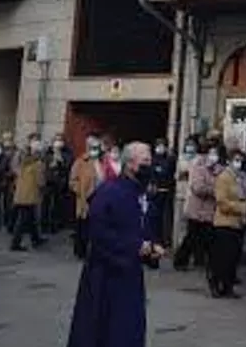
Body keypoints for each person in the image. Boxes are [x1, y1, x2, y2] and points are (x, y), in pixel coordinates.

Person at [65, 142, 162, 347]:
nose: (149, 165)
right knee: (101, 329)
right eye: (145, 161)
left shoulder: (142, 194)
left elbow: (143, 226)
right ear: (130, 164)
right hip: (104, 274)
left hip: (130, 274)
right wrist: (134, 246)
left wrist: (152, 247)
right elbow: (99, 232)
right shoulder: (109, 192)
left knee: (128, 328)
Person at [209, 148, 246, 298]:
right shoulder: (223, 177)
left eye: (241, 160)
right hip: (224, 222)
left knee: (234, 257)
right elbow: (222, 202)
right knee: (222, 257)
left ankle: (228, 286)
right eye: (236, 160)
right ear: (228, 161)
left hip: (239, 223)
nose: (238, 163)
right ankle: (216, 283)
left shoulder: (243, 177)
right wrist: (241, 207)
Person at [173, 139, 220, 271]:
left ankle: (203, 261)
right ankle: (180, 260)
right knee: (192, 236)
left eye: (216, 153)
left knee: (207, 237)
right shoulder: (198, 166)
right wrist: (215, 190)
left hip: (209, 210)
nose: (214, 156)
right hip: (197, 209)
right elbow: (198, 187)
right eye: (211, 153)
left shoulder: (218, 169)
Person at [10, 134, 47, 252]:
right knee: (23, 220)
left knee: (30, 218)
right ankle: (15, 243)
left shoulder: (24, 162)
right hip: (30, 195)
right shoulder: (38, 164)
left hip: (21, 194)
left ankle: (35, 238)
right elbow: (40, 181)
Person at [70, 135, 105, 259]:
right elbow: (72, 181)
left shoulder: (103, 162)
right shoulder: (81, 161)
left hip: (100, 195)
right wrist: (80, 190)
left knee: (96, 225)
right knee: (83, 225)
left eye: (96, 147)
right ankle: (81, 251)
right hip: (86, 196)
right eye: (92, 147)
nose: (95, 150)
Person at [148, 137, 177, 247]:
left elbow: (171, 174)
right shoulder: (151, 160)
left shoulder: (170, 160)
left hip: (167, 192)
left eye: (163, 145)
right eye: (158, 145)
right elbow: (150, 174)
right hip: (155, 192)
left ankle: (164, 240)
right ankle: (154, 239)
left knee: (166, 218)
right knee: (154, 217)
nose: (160, 148)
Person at [43, 134, 74, 235]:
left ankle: (55, 224)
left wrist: (60, 159)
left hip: (60, 182)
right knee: (46, 204)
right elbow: (44, 166)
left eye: (60, 140)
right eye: (56, 140)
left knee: (57, 205)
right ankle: (44, 224)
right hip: (48, 181)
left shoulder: (67, 153)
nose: (58, 143)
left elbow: (68, 165)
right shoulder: (48, 152)